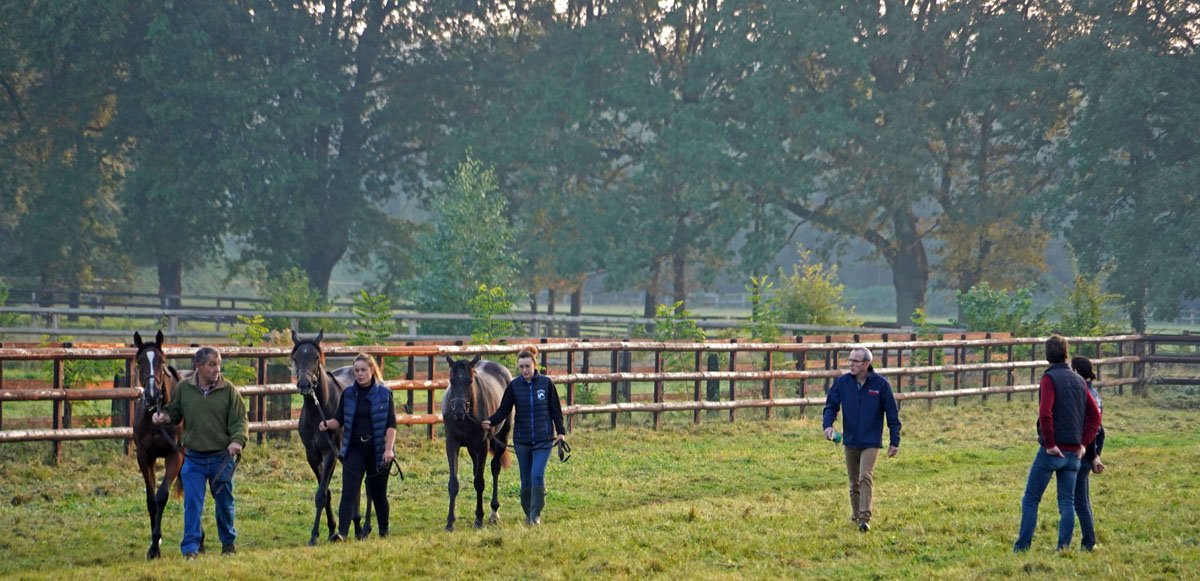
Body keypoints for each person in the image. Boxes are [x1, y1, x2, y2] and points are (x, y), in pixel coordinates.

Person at [153, 346, 248, 559]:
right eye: (212, 365)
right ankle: (190, 549)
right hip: (193, 458)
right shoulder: (184, 389)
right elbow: (174, 411)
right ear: (198, 366)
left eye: (218, 364)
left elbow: (240, 420)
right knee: (192, 504)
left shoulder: (229, 391)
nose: (217, 369)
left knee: (225, 504)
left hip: (221, 458)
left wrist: (237, 441)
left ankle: (228, 543)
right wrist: (164, 417)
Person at [1013, 335, 1102, 552]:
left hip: (1053, 451)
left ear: (1047, 354)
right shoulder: (1080, 381)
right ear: (1066, 353)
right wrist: (1083, 444)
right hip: (1074, 453)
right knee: (1067, 503)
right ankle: (1063, 548)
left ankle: (1022, 547)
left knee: (1031, 499)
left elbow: (1045, 413)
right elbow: (1095, 417)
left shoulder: (1049, 379)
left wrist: (1050, 444)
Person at [481, 347, 567, 525]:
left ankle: (535, 515)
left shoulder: (546, 384)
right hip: (523, 440)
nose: (525, 370)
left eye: (527, 366)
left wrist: (560, 433)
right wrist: (490, 421)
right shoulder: (514, 386)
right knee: (525, 480)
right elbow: (504, 410)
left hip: (543, 439)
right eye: (521, 367)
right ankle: (528, 513)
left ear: (534, 365)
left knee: (537, 475)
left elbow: (555, 410)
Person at [821, 345, 901, 532]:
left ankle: (865, 518)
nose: (851, 364)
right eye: (850, 360)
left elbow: (892, 413)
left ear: (866, 364)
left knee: (865, 476)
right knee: (853, 482)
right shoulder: (842, 383)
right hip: (850, 440)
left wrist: (894, 441)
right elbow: (831, 406)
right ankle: (856, 516)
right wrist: (828, 426)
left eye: (855, 361)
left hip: (871, 441)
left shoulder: (881, 385)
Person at [319, 353, 397, 539]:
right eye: (356, 371)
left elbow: (391, 425)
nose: (360, 374)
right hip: (354, 449)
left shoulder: (384, 394)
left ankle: (384, 530)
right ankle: (342, 533)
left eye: (363, 370)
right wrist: (327, 424)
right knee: (349, 491)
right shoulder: (348, 394)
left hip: (378, 449)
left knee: (378, 493)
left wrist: (389, 449)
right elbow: (338, 420)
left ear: (372, 370)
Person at [1070, 355, 1107, 551]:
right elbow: (1101, 431)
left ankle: (1088, 542)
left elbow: (1089, 431)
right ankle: (1089, 541)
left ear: (1076, 371)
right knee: (1083, 500)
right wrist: (1097, 455)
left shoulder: (1084, 395)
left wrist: (1092, 456)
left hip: (1083, 451)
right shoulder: (1095, 395)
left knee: (1079, 502)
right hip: (1091, 451)